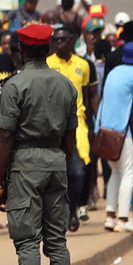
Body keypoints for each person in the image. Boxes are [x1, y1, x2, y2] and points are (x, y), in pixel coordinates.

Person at [0, 23, 80, 265]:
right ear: (50, 48)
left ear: (22, 50)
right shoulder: (66, 85)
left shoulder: (14, 86)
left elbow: (4, 136)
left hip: (26, 164)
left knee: (27, 240)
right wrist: (60, 163)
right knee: (57, 240)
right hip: (56, 161)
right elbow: (70, 135)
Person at [96, 41, 133, 234]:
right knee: (128, 173)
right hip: (122, 132)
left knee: (115, 173)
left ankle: (110, 216)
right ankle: (124, 218)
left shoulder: (113, 72)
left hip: (104, 130)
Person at [47, 27, 96, 227]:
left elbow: (91, 94)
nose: (59, 43)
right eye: (56, 40)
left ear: (73, 40)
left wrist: (97, 123)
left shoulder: (84, 65)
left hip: (77, 125)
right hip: (50, 127)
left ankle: (72, 210)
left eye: (63, 39)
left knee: (77, 172)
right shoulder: (46, 64)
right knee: (53, 176)